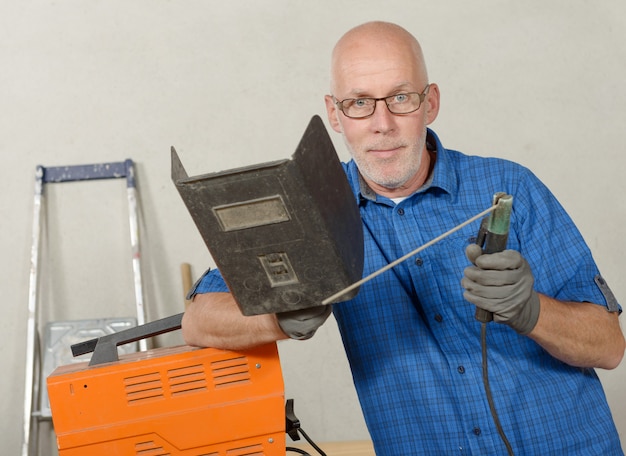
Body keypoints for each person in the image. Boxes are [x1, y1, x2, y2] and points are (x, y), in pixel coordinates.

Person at [182, 21, 625, 455]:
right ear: (334, 114)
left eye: (400, 97)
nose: (382, 123)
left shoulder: (510, 187)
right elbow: (198, 320)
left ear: (430, 103)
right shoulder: (311, 207)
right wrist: (277, 319)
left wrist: (532, 311)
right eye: (358, 102)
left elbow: (608, 346)